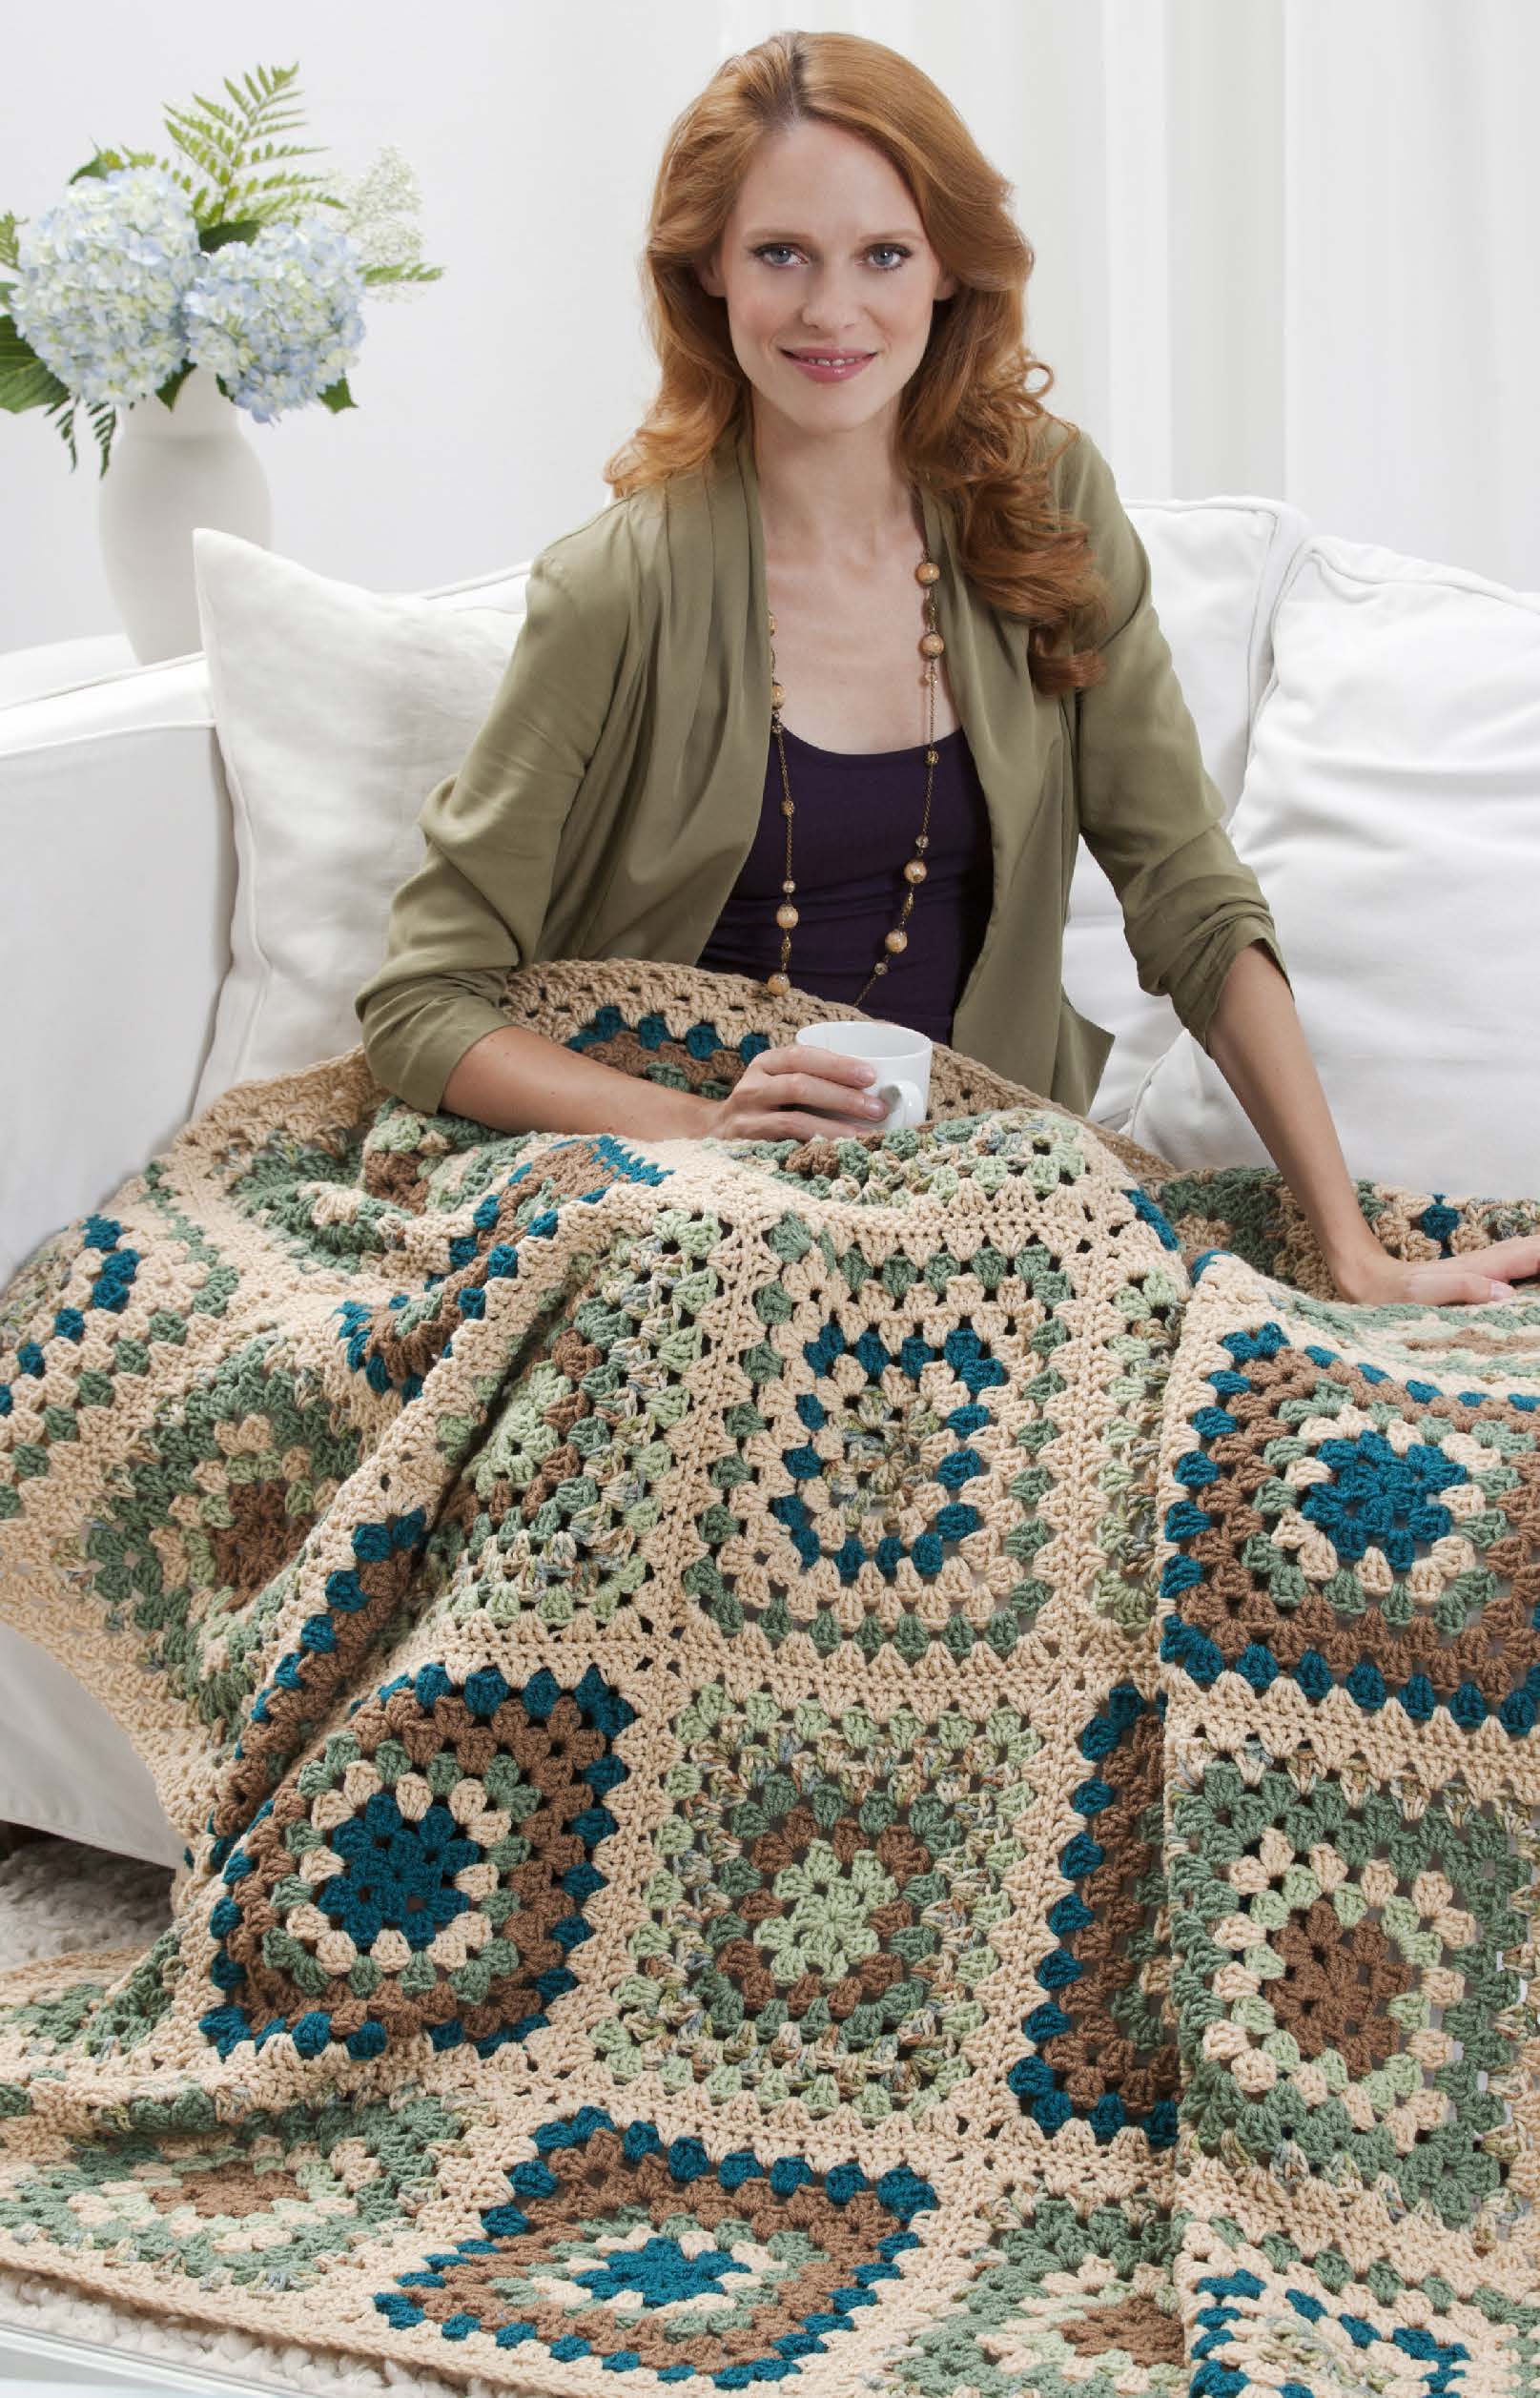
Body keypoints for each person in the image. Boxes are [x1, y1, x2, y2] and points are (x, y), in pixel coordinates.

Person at [355, 28, 1538, 1311]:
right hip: (687, 1219)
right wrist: (694, 1131)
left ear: (947, 275)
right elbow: (423, 998)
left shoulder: (1047, 507)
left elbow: (1188, 893)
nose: (831, 310)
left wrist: (1348, 1247)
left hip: (993, 1194)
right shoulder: (617, 589)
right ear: (705, 272)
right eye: (780, 255)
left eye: (882, 255)